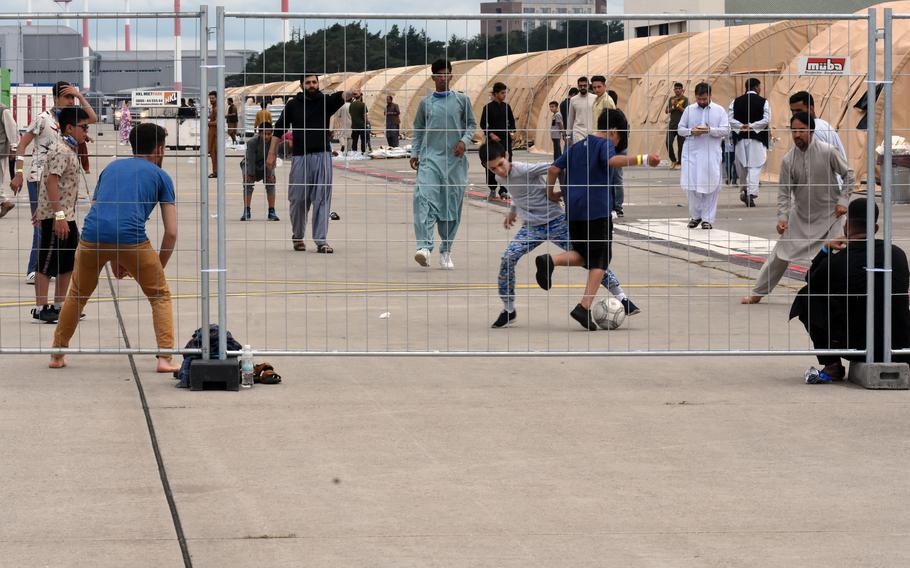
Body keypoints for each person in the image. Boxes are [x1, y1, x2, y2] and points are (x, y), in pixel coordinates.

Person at [50, 123, 179, 373]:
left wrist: (115, 258)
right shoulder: (161, 176)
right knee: (159, 295)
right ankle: (164, 357)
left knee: (77, 295)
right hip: (132, 238)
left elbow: (105, 213)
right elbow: (171, 233)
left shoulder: (111, 168)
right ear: (160, 149)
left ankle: (57, 352)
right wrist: (156, 268)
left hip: (91, 236)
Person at [479, 140, 641, 329]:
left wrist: (561, 191)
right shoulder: (499, 178)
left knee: (591, 257)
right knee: (508, 258)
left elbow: (556, 167)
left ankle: (622, 298)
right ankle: (509, 309)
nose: (499, 170)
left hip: (556, 221)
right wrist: (513, 211)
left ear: (506, 156)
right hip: (532, 227)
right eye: (493, 168)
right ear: (486, 167)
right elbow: (518, 193)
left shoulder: (524, 169)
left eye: (500, 164)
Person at [536, 108, 660, 330]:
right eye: (620, 136)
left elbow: (554, 168)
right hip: (597, 211)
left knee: (584, 255)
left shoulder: (575, 147)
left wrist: (550, 193)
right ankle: (583, 307)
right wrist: (644, 158)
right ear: (613, 131)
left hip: (574, 212)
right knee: (601, 259)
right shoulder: (604, 145)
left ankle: (550, 261)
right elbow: (612, 162)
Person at [790, 198, 910, 381]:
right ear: (875, 229)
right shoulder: (897, 254)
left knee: (807, 296)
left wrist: (825, 250)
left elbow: (810, 280)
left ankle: (831, 364)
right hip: (898, 344)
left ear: (846, 226)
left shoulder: (838, 262)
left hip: (855, 345)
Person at [742, 112, 854, 304]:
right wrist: (783, 218)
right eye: (794, 130)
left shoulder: (828, 151)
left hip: (831, 215)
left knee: (840, 256)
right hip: (801, 216)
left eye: (801, 130)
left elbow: (849, 175)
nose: (797, 135)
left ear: (811, 131)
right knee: (780, 254)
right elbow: (784, 193)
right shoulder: (788, 160)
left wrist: (843, 201)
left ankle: (849, 295)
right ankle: (757, 293)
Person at [11, 81, 98, 284]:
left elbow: (92, 118)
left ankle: (56, 268)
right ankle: (34, 269)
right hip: (40, 179)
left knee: (64, 224)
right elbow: (22, 145)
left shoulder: (72, 119)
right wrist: (19, 172)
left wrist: (80, 97)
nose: (70, 101)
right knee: (41, 224)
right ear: (56, 98)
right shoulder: (43, 119)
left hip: (64, 182)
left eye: (72, 97)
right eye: (67, 97)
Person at [267, 73, 352, 253]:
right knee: (297, 199)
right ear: (301, 86)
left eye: (314, 82)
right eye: (308, 83)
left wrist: (352, 92)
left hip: (322, 157)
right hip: (300, 158)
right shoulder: (292, 105)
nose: (312, 85)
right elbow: (278, 130)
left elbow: (341, 96)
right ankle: (298, 236)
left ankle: (321, 241)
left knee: (321, 199)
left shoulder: (325, 102)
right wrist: (271, 154)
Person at [409, 58, 476, 270]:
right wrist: (415, 152)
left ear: (451, 76)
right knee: (423, 199)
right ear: (433, 78)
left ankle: (446, 249)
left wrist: (464, 142)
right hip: (430, 160)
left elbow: (472, 125)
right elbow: (418, 130)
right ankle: (424, 247)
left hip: (454, 163)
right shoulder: (425, 103)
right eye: (438, 74)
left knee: (451, 207)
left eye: (445, 74)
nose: (442, 78)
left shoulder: (461, 101)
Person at [32, 107, 90, 323]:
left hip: (68, 217)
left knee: (67, 263)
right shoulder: (61, 150)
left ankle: (59, 305)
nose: (86, 132)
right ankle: (41, 307)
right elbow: (51, 181)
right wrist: (58, 215)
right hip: (56, 218)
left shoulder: (70, 149)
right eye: (83, 128)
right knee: (47, 263)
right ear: (69, 128)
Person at [678, 82, 729, 230]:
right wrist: (691, 131)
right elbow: (680, 129)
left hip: (710, 154)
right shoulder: (689, 110)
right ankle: (696, 216)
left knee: (711, 186)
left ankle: (707, 219)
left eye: (704, 99)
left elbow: (725, 130)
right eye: (699, 99)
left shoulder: (719, 111)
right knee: (691, 185)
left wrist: (710, 130)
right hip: (691, 153)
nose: (701, 102)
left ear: (710, 96)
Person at [728, 78, 770, 207]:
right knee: (755, 166)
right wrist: (752, 126)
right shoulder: (764, 102)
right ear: (756, 87)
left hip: (741, 139)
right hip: (757, 139)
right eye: (759, 86)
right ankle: (750, 193)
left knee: (743, 166)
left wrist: (741, 126)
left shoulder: (735, 101)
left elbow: (730, 118)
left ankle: (745, 189)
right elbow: (766, 119)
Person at [480, 82, 516, 200]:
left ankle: (504, 190)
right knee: (492, 164)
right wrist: (491, 134)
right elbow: (482, 124)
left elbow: (512, 122)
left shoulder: (507, 107)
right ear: (495, 94)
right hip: (493, 141)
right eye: (502, 93)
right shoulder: (488, 108)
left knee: (506, 163)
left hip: (505, 140)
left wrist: (512, 132)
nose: (504, 95)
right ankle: (492, 188)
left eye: (505, 93)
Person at [240, 122, 279, 222]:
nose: (266, 136)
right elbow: (250, 159)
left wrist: (270, 174)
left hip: (266, 164)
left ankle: (271, 211)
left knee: (271, 182)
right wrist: (250, 174)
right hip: (250, 163)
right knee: (248, 182)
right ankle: (246, 211)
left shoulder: (274, 143)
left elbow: (273, 159)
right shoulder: (252, 142)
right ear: (259, 133)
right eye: (264, 134)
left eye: (269, 134)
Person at [788, 91, 845, 158]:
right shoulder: (823, 124)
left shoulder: (814, 131)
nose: (795, 115)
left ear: (811, 109)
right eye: (792, 111)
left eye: (798, 111)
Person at [0, 100, 19, 218]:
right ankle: (4, 202)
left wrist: (13, 147)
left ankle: (5, 201)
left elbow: (12, 128)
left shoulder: (3, 110)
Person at [607, 90, 625, 218]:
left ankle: (618, 207)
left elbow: (622, 137)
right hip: (614, 150)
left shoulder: (617, 116)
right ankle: (614, 206)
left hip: (617, 151)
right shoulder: (616, 114)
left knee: (616, 179)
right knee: (613, 179)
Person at [665, 82, 687, 169]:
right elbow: (666, 111)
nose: (677, 90)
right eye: (676, 88)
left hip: (682, 125)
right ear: (674, 90)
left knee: (681, 145)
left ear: (682, 90)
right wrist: (673, 107)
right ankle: (673, 160)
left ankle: (679, 163)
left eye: (679, 88)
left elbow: (685, 111)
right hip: (672, 125)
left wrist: (677, 105)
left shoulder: (685, 99)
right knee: (668, 142)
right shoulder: (671, 99)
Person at [567, 77, 594, 144]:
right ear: (578, 86)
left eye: (585, 85)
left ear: (588, 86)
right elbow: (571, 118)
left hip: (592, 132)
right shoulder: (573, 100)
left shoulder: (595, 98)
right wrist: (568, 135)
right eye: (580, 86)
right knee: (580, 153)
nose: (582, 87)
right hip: (578, 132)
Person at [206, 91, 218, 177]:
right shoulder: (214, 108)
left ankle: (216, 172)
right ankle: (215, 171)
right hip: (212, 134)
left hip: (215, 135)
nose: (211, 100)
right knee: (213, 154)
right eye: (210, 98)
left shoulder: (217, 108)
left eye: (213, 98)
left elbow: (218, 121)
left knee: (214, 154)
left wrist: (208, 123)